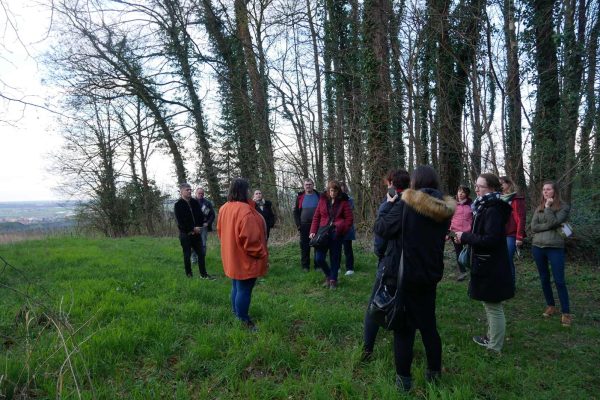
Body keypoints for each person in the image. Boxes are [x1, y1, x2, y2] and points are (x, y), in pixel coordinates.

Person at [373, 166, 455, 391]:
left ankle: (403, 381)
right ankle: (434, 374)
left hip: (404, 275)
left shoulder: (405, 204)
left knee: (404, 330)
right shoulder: (445, 209)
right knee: (429, 326)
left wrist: (387, 207)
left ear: (415, 182)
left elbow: (381, 228)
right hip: (430, 274)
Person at [455, 173, 514, 353]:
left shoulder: (493, 209)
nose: (477, 189)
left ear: (492, 188)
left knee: (493, 306)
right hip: (486, 263)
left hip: (491, 265)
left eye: (481, 186)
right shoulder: (485, 206)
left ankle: (494, 347)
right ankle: (490, 337)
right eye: (477, 185)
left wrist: (465, 236)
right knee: (489, 304)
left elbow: (491, 239)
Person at [362, 169, 410, 362]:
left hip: (391, 262)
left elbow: (381, 234)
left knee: (375, 304)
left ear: (391, 184)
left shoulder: (393, 204)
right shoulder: (416, 203)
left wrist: (380, 255)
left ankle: (367, 349)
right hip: (411, 263)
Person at [217, 178, 269, 331]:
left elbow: (220, 232)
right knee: (244, 289)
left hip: (231, 255)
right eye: (247, 190)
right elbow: (251, 240)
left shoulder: (224, 207)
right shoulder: (245, 211)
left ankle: (236, 313)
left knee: (236, 286)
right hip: (245, 258)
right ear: (243, 191)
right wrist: (262, 254)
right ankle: (243, 320)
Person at [530, 181, 572, 327]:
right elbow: (533, 226)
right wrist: (549, 225)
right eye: (543, 189)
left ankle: (566, 312)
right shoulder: (538, 207)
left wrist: (548, 208)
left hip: (555, 247)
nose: (545, 192)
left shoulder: (563, 207)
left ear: (555, 191)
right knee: (544, 278)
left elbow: (555, 221)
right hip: (537, 247)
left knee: (559, 280)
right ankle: (551, 305)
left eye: (548, 189)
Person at [309, 180, 353, 289]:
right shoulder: (322, 200)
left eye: (335, 191)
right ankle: (329, 275)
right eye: (331, 190)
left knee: (335, 258)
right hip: (323, 233)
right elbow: (316, 217)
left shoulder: (344, 201)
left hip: (336, 234)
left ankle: (333, 280)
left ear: (339, 191)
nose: (333, 193)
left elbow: (349, 219)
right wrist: (313, 231)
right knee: (319, 258)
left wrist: (342, 228)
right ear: (328, 190)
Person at [173, 183, 214, 279]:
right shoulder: (178, 205)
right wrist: (192, 229)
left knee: (201, 253)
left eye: (190, 189)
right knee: (187, 255)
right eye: (187, 190)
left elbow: (200, 216)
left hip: (196, 234)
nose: (189, 191)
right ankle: (189, 275)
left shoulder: (195, 202)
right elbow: (180, 222)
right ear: (181, 191)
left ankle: (203, 274)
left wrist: (198, 227)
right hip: (185, 234)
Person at [499, 176, 526, 289]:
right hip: (499, 234)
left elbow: (521, 218)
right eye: (498, 184)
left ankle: (510, 285)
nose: (500, 186)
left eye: (502, 184)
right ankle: (502, 283)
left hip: (511, 234)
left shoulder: (516, 199)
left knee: (507, 258)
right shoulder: (498, 198)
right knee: (500, 259)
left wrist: (519, 237)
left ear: (508, 184)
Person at [293, 179, 321, 271]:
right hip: (304, 226)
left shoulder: (319, 196)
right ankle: (305, 266)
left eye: (310, 184)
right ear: (304, 186)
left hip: (317, 225)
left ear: (313, 185)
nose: (308, 186)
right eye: (306, 184)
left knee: (318, 245)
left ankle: (318, 266)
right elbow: (296, 212)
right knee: (305, 246)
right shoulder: (300, 197)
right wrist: (298, 225)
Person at [448, 185, 473, 282]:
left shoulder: (471, 205)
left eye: (463, 192)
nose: (460, 193)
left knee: (470, 252)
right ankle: (462, 272)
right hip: (454, 232)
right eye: (459, 191)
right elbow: (448, 219)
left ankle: (472, 270)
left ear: (467, 194)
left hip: (468, 232)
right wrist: (448, 232)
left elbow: (475, 218)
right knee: (458, 252)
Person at [191, 187, 215, 263]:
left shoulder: (207, 203)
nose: (201, 194)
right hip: (194, 226)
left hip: (203, 227)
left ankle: (202, 258)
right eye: (199, 193)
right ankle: (194, 259)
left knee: (203, 243)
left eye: (202, 193)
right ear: (195, 193)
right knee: (194, 243)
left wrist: (208, 223)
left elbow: (212, 215)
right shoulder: (191, 202)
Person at [340, 182, 356, 276]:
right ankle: (336, 267)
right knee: (336, 249)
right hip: (336, 228)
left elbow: (348, 212)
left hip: (347, 228)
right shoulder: (333, 200)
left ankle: (350, 268)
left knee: (347, 248)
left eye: (343, 190)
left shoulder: (350, 200)